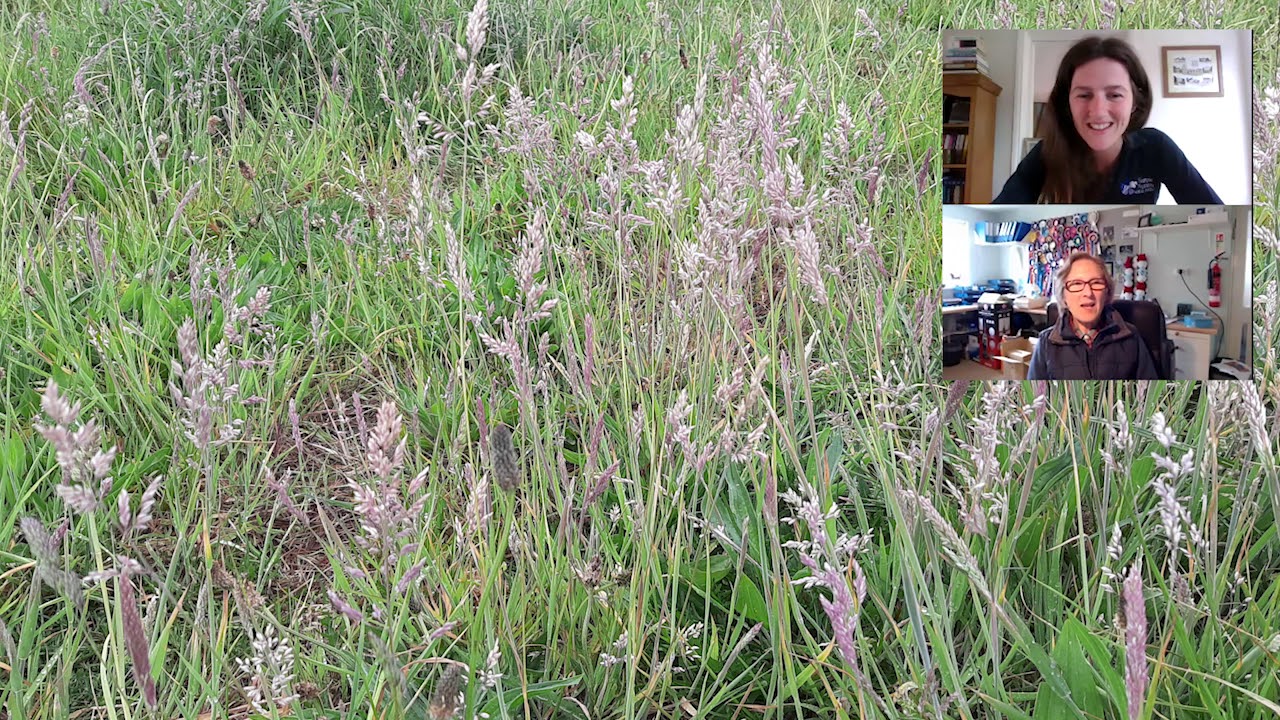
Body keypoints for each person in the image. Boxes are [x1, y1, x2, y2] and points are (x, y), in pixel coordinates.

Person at [993, 36, 1221, 204]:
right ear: (1067, 103)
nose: (1099, 111)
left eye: (1114, 95)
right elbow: (998, 215)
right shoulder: (1046, 153)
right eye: (1084, 95)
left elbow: (1213, 210)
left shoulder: (1156, 147)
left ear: (1135, 102)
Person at [1027, 252, 1159, 380]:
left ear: (1107, 293)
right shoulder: (1046, 344)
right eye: (1076, 284)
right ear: (1064, 296)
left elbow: (1150, 392)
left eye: (1096, 283)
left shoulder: (1131, 338)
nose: (1088, 293)